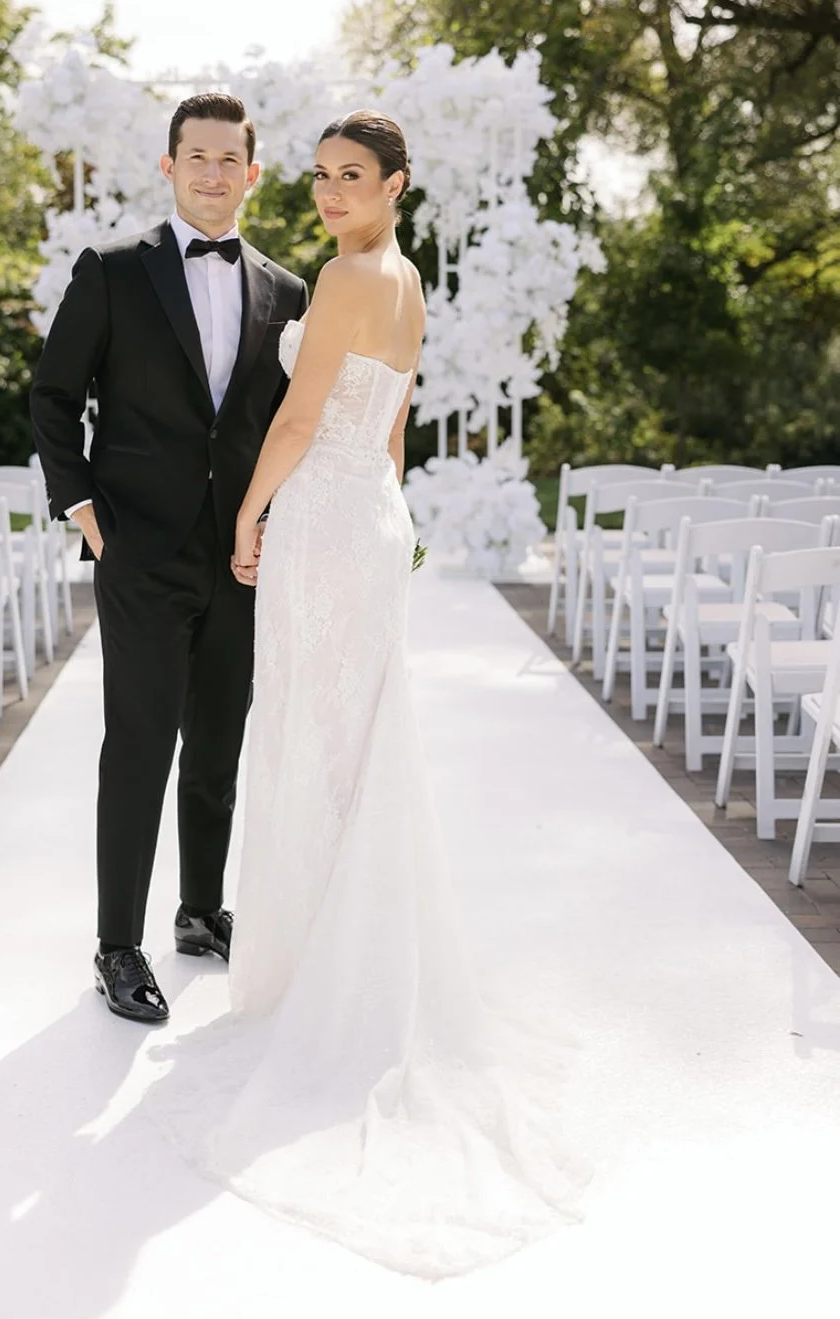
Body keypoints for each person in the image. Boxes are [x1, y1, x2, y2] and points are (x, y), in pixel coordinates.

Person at [146, 111, 589, 1279]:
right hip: (367, 517)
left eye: (355, 177)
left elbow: (302, 418)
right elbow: (391, 430)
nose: (332, 192)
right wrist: (377, 523)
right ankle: (342, 963)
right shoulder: (408, 283)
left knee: (315, 741)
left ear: (397, 185)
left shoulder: (348, 278)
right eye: (324, 176)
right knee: (350, 741)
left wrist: (249, 513)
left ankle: (321, 988)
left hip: (324, 520)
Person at [29, 93, 308, 1024]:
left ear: (252, 173)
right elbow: (53, 395)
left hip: (240, 555)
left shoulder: (287, 291)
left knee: (219, 743)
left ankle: (199, 909)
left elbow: (285, 426)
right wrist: (82, 508)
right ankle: (117, 944)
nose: (213, 173)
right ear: (169, 165)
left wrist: (275, 525)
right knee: (140, 745)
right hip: (139, 549)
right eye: (197, 156)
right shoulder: (111, 271)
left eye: (230, 158)